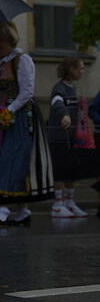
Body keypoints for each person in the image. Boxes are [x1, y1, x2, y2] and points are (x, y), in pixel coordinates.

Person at [0, 22, 53, 226]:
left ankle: (4, 206)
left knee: (11, 157)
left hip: (17, 115)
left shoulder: (21, 60)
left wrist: (8, 111)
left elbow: (27, 92)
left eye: (0, 41)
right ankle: (22, 210)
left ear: (10, 40)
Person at [47, 58, 91, 217]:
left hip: (72, 137)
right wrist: (64, 115)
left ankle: (69, 202)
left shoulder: (73, 88)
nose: (82, 71)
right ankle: (57, 205)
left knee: (72, 170)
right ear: (71, 69)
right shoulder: (59, 88)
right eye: (81, 68)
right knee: (60, 170)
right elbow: (56, 102)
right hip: (58, 137)